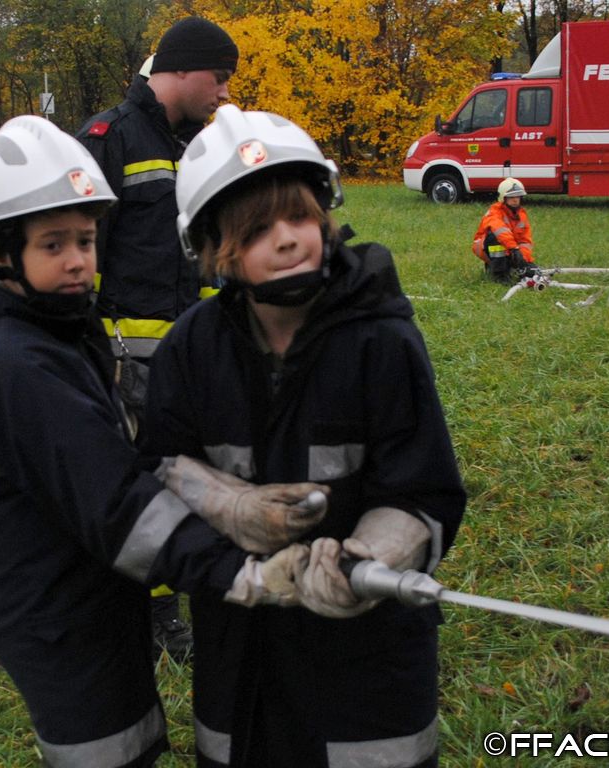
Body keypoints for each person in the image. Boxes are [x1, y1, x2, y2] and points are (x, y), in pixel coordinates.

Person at [0, 114, 330, 767]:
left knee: (131, 737)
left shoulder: (48, 331)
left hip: (90, 594)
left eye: (86, 241)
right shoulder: (16, 364)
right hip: (55, 612)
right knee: (105, 751)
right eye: (53, 244)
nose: (78, 262)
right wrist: (243, 575)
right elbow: (116, 505)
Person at [145, 105, 467, 767]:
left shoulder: (382, 341)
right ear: (211, 251)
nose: (288, 239)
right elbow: (160, 464)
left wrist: (365, 562)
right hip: (240, 659)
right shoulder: (189, 351)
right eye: (258, 229)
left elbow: (424, 492)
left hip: (368, 667)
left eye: (298, 216)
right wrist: (228, 504)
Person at [76, 15, 239, 657]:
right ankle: (153, 611)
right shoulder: (107, 139)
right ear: (179, 68)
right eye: (218, 78)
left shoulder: (201, 145)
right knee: (144, 484)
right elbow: (79, 255)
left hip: (198, 354)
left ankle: (190, 584)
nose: (225, 93)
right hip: (127, 361)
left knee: (199, 474)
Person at [472, 177, 539, 283]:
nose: (515, 199)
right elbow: (501, 232)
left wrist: (524, 260)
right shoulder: (495, 212)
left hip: (511, 250)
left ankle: (510, 268)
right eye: (511, 196)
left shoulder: (522, 215)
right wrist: (514, 250)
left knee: (531, 269)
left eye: (518, 196)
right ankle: (499, 274)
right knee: (494, 237)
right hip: (485, 247)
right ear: (503, 198)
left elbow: (525, 241)